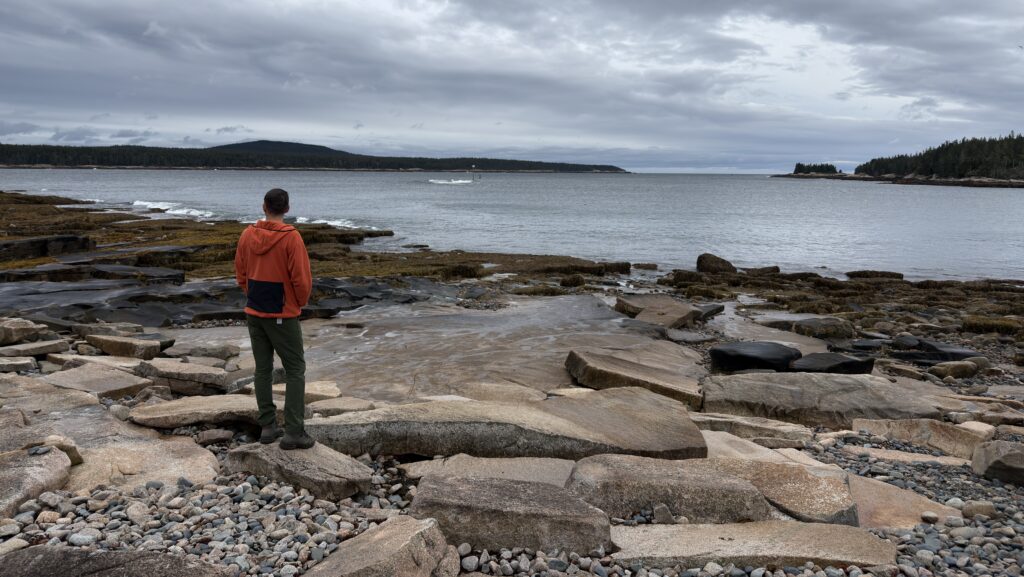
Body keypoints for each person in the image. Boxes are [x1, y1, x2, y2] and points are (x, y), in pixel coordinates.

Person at [234, 188, 314, 450]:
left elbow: (240, 272)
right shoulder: (292, 238)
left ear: (264, 206)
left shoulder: (248, 234)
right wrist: (298, 303)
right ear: (287, 208)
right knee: (295, 370)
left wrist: (252, 294)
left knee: (263, 369)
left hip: (254, 310)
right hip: (282, 313)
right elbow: (301, 279)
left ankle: (268, 426)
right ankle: (293, 431)